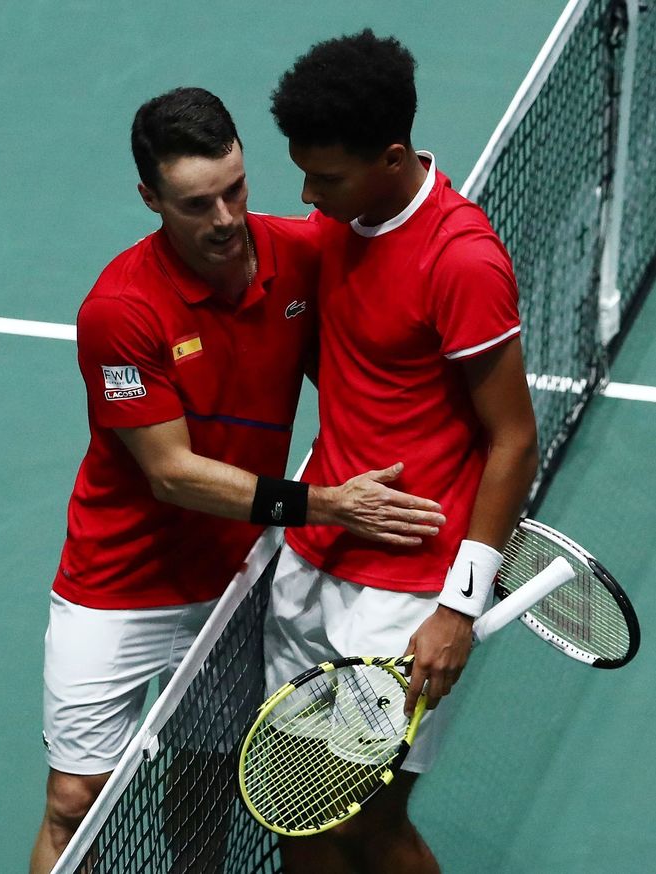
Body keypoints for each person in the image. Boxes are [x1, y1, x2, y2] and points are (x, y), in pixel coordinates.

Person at [29, 86, 446, 874]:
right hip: (115, 585)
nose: (224, 219)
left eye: (234, 190)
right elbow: (172, 474)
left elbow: (401, 263)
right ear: (150, 198)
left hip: (229, 587)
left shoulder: (299, 254)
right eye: (195, 203)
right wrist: (323, 505)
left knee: (202, 787)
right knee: (76, 801)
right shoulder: (121, 310)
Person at [263, 30, 539, 874]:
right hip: (314, 558)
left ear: (391, 157)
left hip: (406, 594)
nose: (308, 193)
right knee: (297, 812)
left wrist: (458, 606)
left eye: (327, 176)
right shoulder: (343, 220)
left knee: (364, 822)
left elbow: (514, 438)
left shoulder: (460, 261)